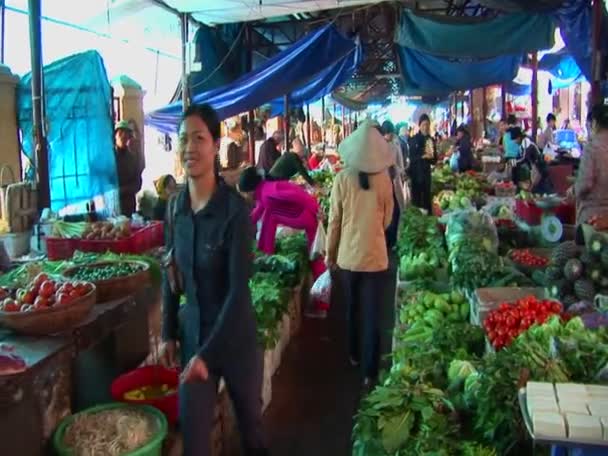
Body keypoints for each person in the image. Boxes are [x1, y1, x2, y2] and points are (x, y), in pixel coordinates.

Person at [159, 104, 268, 456]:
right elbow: (170, 270)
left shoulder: (235, 212)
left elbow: (238, 294)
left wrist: (206, 355)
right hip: (194, 336)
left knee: (251, 431)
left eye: (199, 138)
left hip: (235, 339)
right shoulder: (174, 209)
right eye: (183, 139)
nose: (189, 147)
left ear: (216, 145)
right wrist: (167, 334)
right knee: (195, 443)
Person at [326, 121, 394, 387]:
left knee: (353, 307)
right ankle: (370, 371)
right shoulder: (385, 179)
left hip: (349, 257)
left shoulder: (342, 178)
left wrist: (330, 255)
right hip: (375, 257)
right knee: (373, 313)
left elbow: (334, 221)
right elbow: (388, 218)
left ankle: (353, 354)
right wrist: (374, 231)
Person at [239, 167, 328, 314]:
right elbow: (257, 213)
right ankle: (266, 251)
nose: (245, 197)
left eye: (243, 193)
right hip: (307, 215)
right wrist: (241, 226)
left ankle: (322, 307)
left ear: (250, 190)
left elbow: (296, 195)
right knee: (315, 256)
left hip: (309, 217)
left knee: (316, 258)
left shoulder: (268, 194)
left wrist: (316, 209)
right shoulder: (264, 191)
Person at [573, 104, 608, 225]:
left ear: (594, 122)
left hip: (592, 219)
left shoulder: (592, 147)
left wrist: (574, 191)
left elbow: (585, 184)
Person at [114, 120, 144, 217]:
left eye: (126, 134)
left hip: (128, 206)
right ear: (115, 136)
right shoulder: (108, 158)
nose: (123, 136)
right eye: (120, 133)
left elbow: (138, 183)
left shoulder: (132, 158)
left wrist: (122, 191)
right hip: (111, 205)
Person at [511, 127, 553, 194]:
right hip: (535, 167)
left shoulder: (526, 142)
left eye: (515, 139)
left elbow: (524, 158)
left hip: (539, 166)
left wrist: (513, 162)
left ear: (518, 137)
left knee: (539, 187)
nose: (515, 142)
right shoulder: (522, 143)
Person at [408, 114, 436, 212]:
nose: (426, 127)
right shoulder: (413, 140)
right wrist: (422, 157)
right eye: (423, 125)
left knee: (426, 202)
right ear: (419, 126)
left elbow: (434, 160)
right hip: (416, 175)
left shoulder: (430, 140)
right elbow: (411, 158)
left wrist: (431, 158)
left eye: (427, 125)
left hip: (426, 176)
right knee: (417, 203)